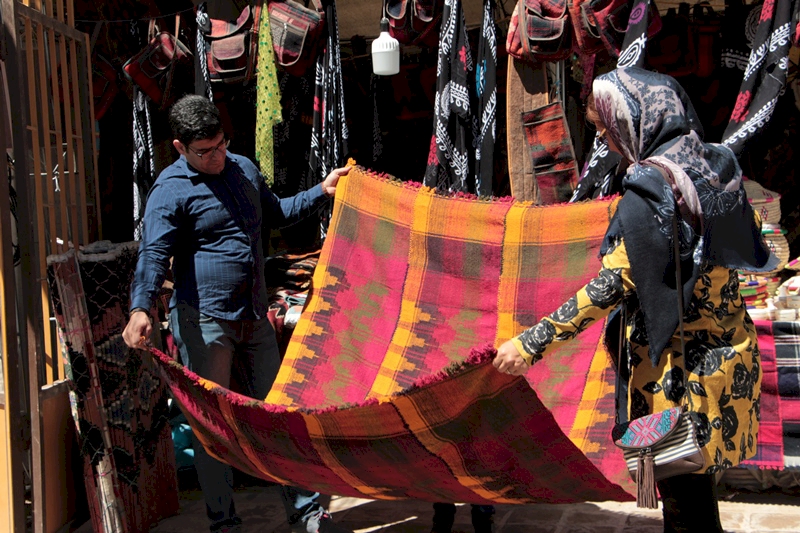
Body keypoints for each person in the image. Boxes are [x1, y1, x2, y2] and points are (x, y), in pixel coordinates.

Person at [493, 67, 778, 533]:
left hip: (679, 382)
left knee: (685, 511)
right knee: (696, 501)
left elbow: (613, 284)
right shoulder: (715, 165)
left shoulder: (651, 190)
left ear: (634, 120)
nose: (606, 143)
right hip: (726, 367)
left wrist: (530, 345)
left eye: (607, 130)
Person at [122, 95, 353, 533]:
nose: (215, 157)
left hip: (254, 318)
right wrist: (140, 307)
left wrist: (321, 191)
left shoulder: (244, 169)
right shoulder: (169, 191)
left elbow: (279, 212)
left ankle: (308, 513)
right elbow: (153, 255)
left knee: (277, 417)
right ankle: (224, 523)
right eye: (203, 152)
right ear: (179, 147)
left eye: (221, 145)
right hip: (205, 323)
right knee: (214, 429)